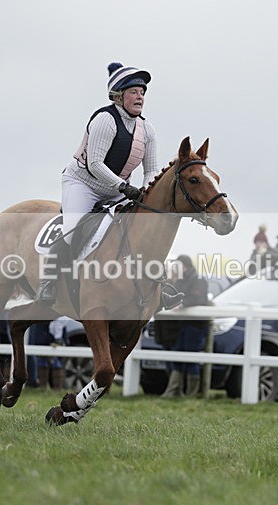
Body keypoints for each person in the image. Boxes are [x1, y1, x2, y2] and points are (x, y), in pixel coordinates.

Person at [36, 62, 160, 304]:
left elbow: (152, 169)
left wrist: (146, 191)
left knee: (140, 229)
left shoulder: (148, 129)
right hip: (83, 184)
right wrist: (124, 187)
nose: (140, 97)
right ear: (118, 96)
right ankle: (48, 282)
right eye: (134, 92)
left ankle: (155, 286)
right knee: (72, 229)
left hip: (118, 189)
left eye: (143, 92)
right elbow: (95, 164)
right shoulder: (105, 119)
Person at [160, 255, 211, 398]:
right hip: (182, 323)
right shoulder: (181, 281)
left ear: (186, 266)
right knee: (178, 353)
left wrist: (183, 304)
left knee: (191, 356)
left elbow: (199, 299)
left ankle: (191, 392)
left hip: (196, 324)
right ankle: (176, 390)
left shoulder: (198, 280)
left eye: (179, 265)